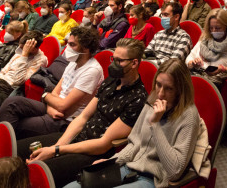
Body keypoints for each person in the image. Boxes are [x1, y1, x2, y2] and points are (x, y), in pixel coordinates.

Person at [24, 39, 148, 187]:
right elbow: (83, 117)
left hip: (93, 153)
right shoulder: (111, 80)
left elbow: (104, 144)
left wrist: (56, 151)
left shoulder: (138, 98)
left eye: (119, 61)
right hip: (79, 136)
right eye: (112, 59)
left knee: (35, 173)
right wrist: (56, 147)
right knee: (23, 152)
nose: (113, 64)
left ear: (134, 63)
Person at [65, 58, 199, 188]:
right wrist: (112, 161)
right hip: (130, 166)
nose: (160, 94)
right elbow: (134, 143)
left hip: (153, 178)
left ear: (180, 90)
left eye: (169, 88)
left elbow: (174, 171)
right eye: (158, 85)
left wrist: (155, 125)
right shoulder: (152, 101)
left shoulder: (188, 116)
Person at [0, 27, 103, 139]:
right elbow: (55, 93)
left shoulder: (92, 70)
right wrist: (48, 101)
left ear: (86, 49)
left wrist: (47, 97)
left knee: (7, 124)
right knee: (10, 104)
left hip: (65, 120)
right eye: (68, 44)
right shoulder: (73, 62)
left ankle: (0, 148)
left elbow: (63, 106)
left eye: (72, 45)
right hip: (53, 109)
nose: (67, 48)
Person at [0, 31, 48, 119]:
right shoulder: (19, 53)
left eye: (23, 48)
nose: (20, 50)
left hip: (7, 92)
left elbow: (17, 81)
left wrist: (24, 56)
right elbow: (2, 75)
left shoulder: (41, 60)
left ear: (33, 48)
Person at [186, 9, 227, 87]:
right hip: (195, 76)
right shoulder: (206, 38)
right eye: (211, 28)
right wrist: (193, 63)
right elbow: (189, 58)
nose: (214, 31)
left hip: (214, 84)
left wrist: (223, 69)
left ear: (226, 26)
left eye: (218, 28)